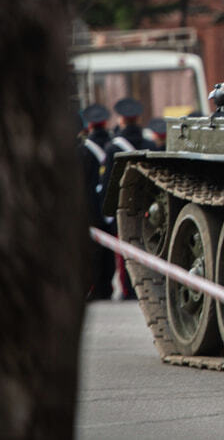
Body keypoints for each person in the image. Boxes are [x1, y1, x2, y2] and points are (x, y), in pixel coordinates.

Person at [103, 97, 154, 299]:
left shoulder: (113, 148)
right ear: (138, 118)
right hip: (149, 204)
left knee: (125, 251)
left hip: (122, 205)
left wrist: (106, 211)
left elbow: (108, 182)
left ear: (122, 120)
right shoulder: (150, 144)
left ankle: (128, 290)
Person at [79, 104, 114, 300]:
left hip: (90, 207)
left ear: (89, 125)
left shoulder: (83, 149)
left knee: (93, 250)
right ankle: (107, 286)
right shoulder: (113, 144)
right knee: (110, 249)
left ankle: (95, 288)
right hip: (109, 205)